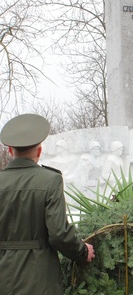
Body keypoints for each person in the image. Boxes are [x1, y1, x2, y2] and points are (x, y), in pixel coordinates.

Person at [0, 113, 95, 295]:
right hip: (39, 280)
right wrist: (82, 252)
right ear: (39, 151)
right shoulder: (50, 180)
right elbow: (59, 233)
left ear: (10, 151)